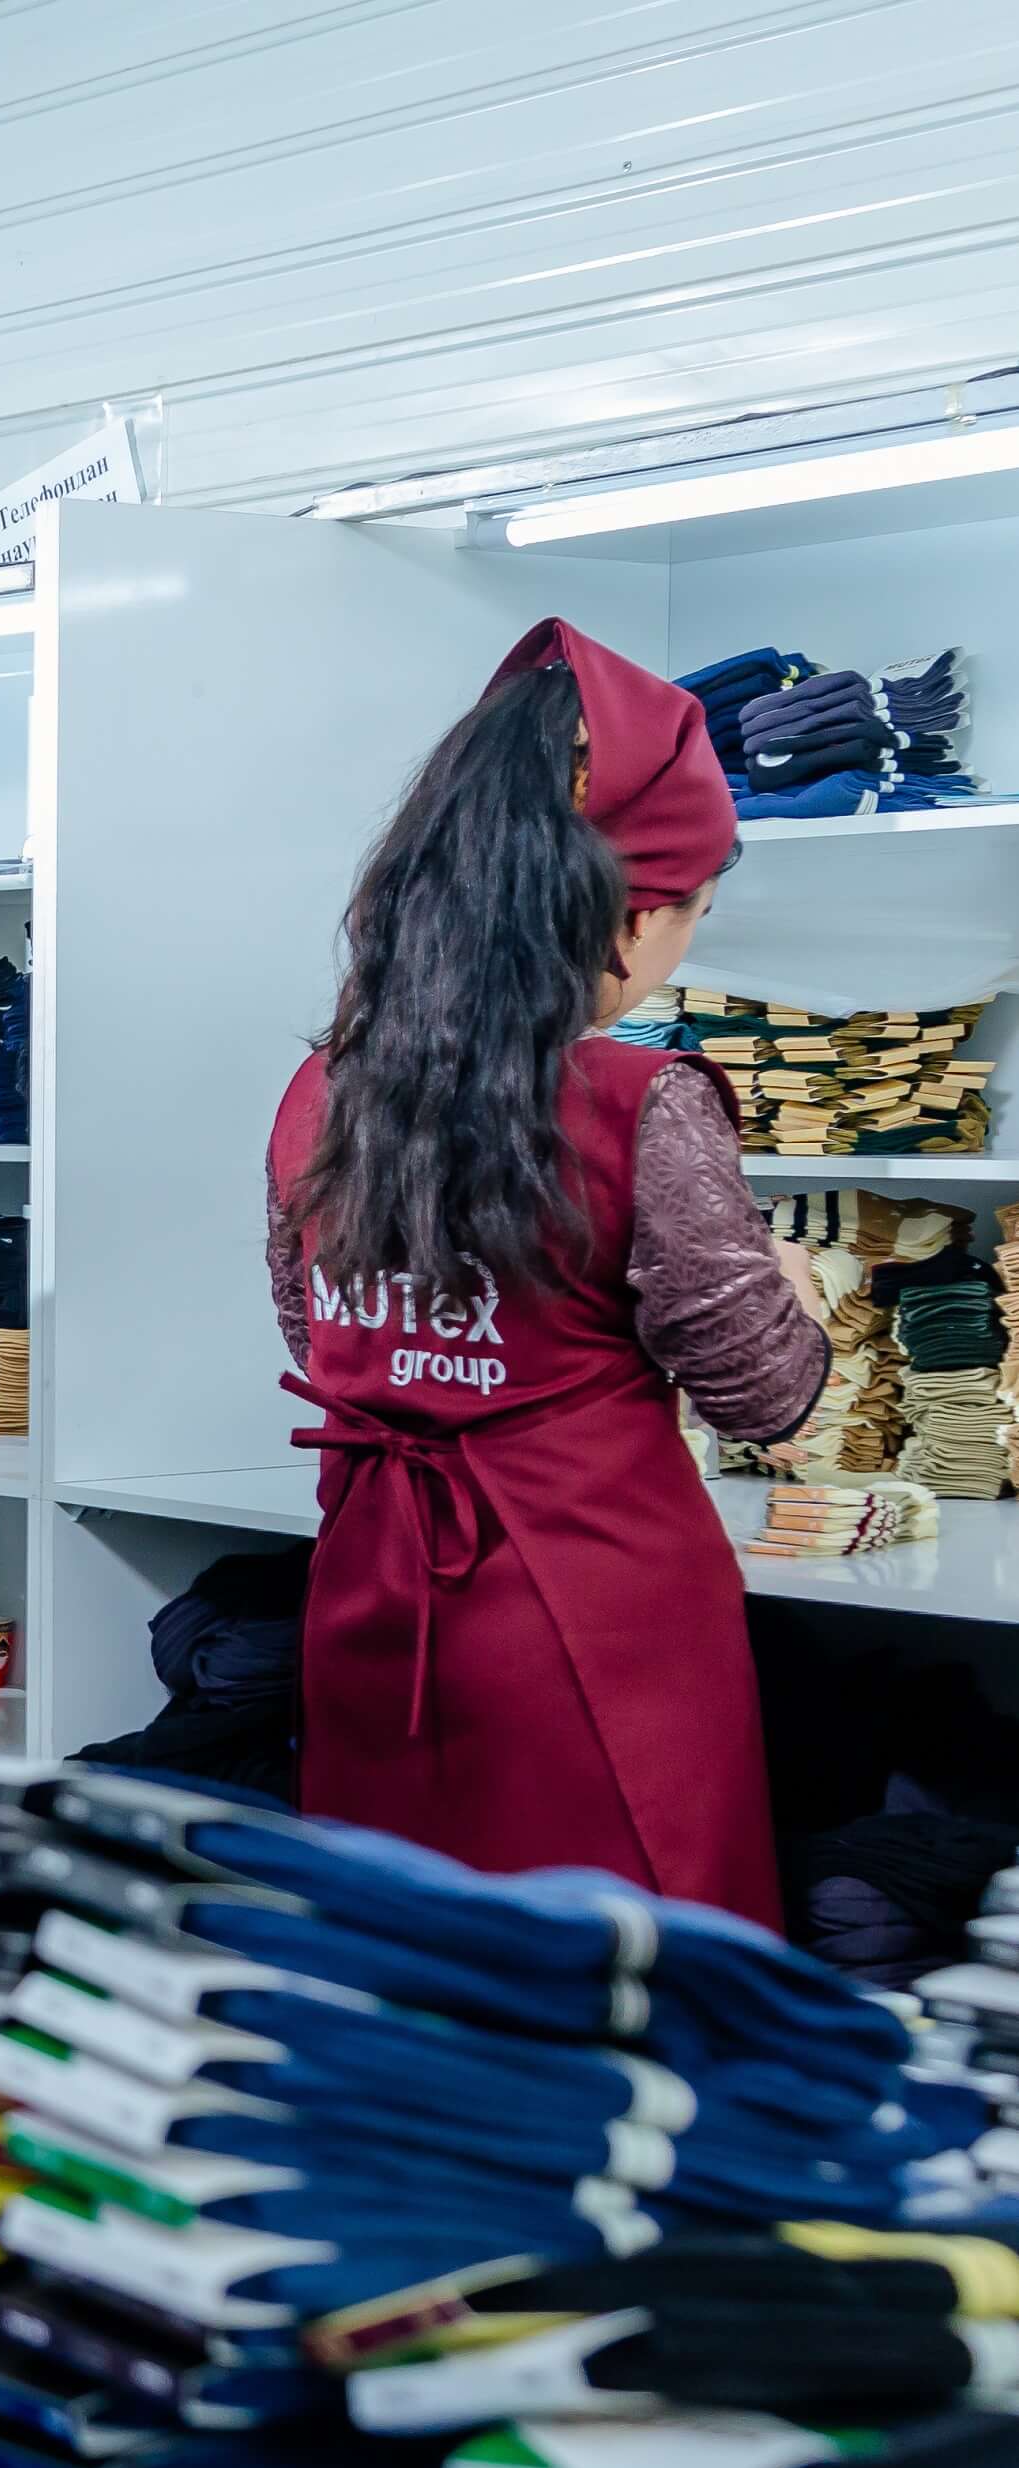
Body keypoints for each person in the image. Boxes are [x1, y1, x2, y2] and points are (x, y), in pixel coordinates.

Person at [269, 619, 831, 1929]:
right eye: (691, 917)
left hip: (370, 1602)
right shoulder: (641, 1102)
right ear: (629, 917)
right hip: (592, 1626)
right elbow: (763, 1398)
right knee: (622, 1977)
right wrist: (787, 1292)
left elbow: (313, 1332)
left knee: (401, 1966)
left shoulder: (320, 1088)